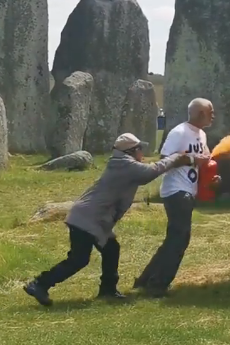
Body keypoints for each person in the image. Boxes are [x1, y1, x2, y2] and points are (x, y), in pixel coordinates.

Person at [23, 134, 194, 306]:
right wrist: (176, 158)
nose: (142, 152)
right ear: (132, 151)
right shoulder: (125, 165)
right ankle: (39, 284)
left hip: (92, 217)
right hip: (89, 218)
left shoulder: (121, 163)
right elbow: (150, 172)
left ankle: (108, 289)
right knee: (79, 259)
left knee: (111, 248)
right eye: (140, 149)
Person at [133, 98, 220, 297]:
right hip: (176, 191)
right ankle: (158, 286)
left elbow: (204, 163)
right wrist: (191, 159)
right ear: (200, 114)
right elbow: (164, 159)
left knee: (173, 239)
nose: (213, 115)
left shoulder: (202, 135)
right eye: (210, 111)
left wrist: (213, 179)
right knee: (180, 239)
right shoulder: (179, 132)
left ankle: (145, 280)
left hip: (189, 191)